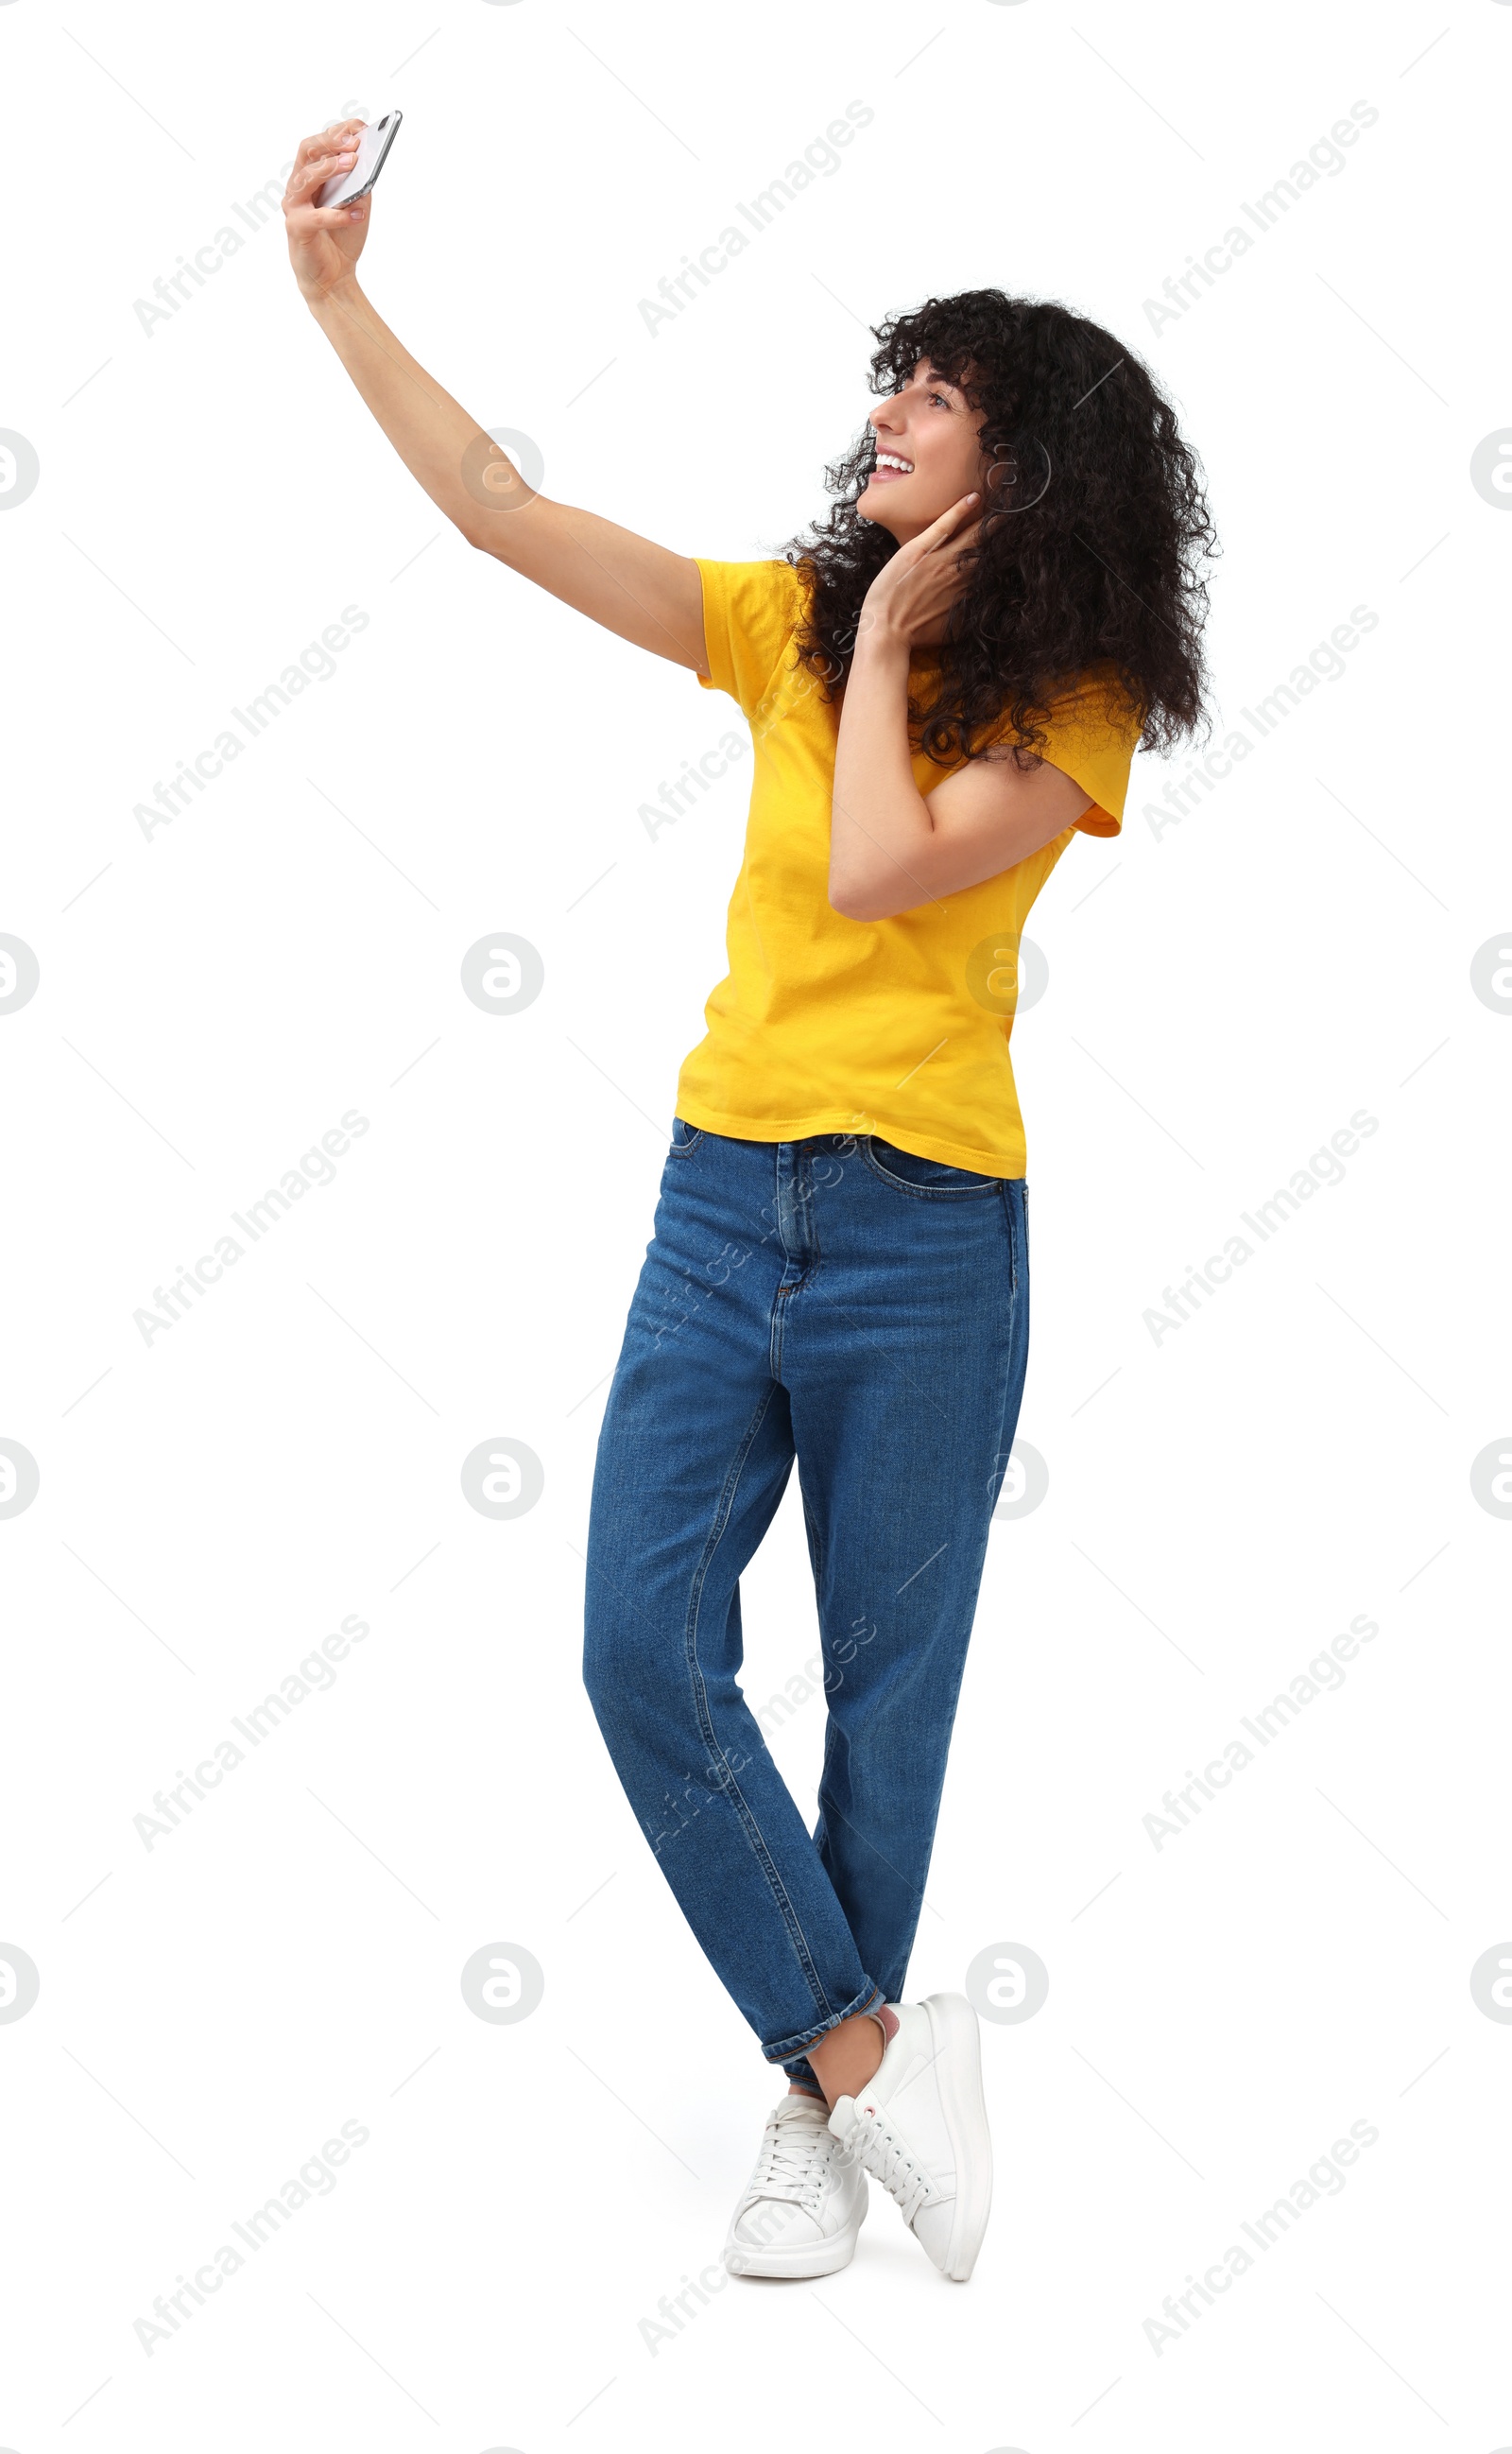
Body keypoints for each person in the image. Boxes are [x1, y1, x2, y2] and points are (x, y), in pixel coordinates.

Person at [283, 118, 1214, 2289]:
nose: (878, 410)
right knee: (636, 1638)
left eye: (929, 389)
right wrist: (338, 299)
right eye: (883, 382)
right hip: (723, 1201)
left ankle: (814, 2116)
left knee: (882, 1703)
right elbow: (501, 512)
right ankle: (867, 2052)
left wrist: (884, 643)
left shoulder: (1061, 702)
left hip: (925, 1233)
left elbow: (885, 862)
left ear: (1024, 462)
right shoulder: (779, 625)